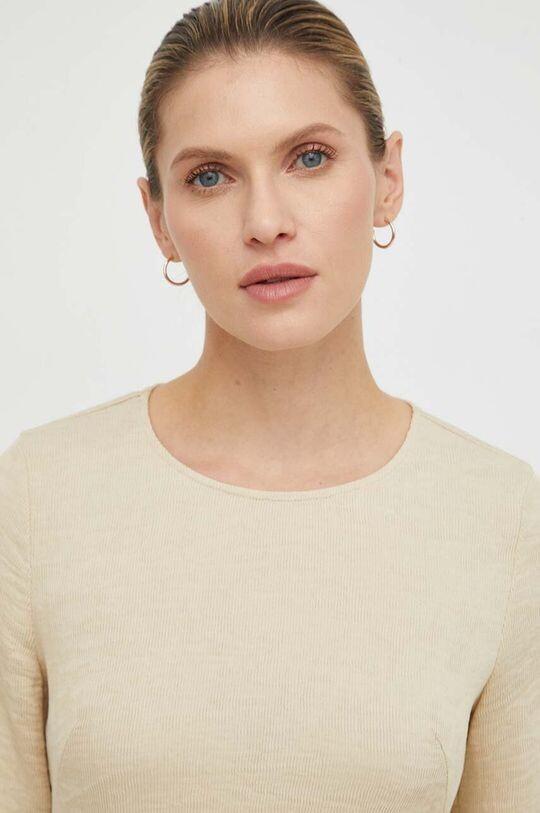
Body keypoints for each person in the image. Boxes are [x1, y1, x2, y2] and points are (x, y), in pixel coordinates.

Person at [1, 0, 538, 809]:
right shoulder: (37, 498)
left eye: (309, 158)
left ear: (388, 179)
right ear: (159, 220)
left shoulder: (501, 516)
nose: (265, 222)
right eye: (209, 176)